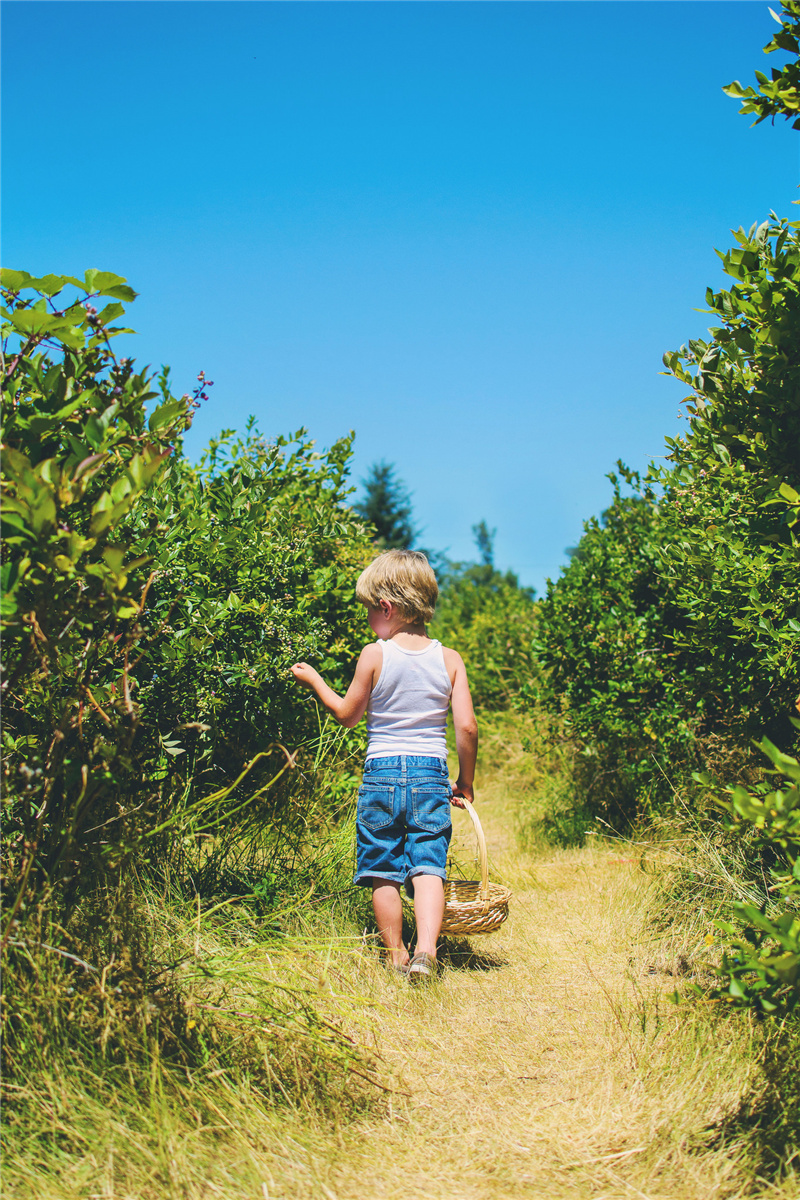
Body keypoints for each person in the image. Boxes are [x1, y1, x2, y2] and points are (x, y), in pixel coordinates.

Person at [290, 549, 478, 980]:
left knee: (383, 867)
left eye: (369, 611)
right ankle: (426, 952)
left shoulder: (374, 655)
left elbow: (346, 714)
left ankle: (395, 954)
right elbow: (466, 728)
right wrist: (464, 781)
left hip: (382, 773)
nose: (368, 620)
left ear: (387, 608)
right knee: (429, 862)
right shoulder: (450, 659)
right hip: (432, 773)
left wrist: (315, 680)